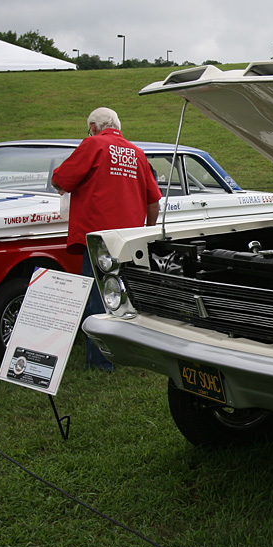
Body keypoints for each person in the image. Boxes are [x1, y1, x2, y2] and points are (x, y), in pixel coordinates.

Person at [52, 107, 161, 370]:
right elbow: (154, 201)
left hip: (98, 238)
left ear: (92, 126)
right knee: (126, 298)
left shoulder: (93, 145)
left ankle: (100, 362)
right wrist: (146, 231)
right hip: (128, 240)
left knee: (98, 300)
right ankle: (131, 355)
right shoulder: (136, 152)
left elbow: (60, 180)